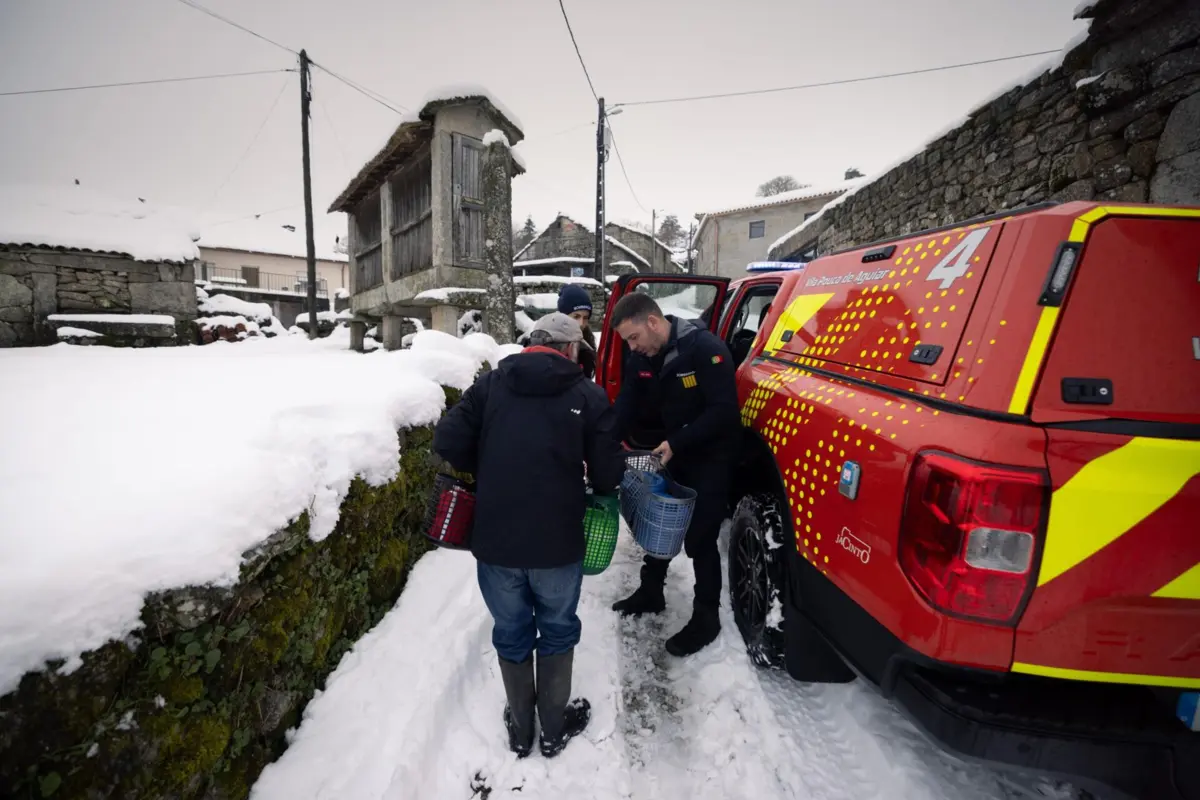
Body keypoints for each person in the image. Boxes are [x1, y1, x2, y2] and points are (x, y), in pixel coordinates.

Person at [433, 312, 624, 759]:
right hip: (558, 543)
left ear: (531, 343)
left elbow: (447, 439)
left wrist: (488, 462)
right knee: (557, 628)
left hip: (496, 541)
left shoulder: (491, 385)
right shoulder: (587, 394)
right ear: (571, 349)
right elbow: (608, 472)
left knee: (511, 626)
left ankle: (522, 729)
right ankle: (553, 727)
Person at [608, 292, 740, 657]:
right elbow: (628, 403)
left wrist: (678, 442)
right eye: (627, 342)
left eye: (634, 337)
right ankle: (651, 591)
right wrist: (604, 443)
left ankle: (706, 616)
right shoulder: (641, 357)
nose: (632, 347)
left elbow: (725, 412)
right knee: (658, 521)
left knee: (700, 537)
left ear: (653, 322)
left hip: (711, 456)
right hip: (675, 451)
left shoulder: (704, 349)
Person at [557, 284, 598, 379]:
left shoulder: (587, 342)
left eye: (586, 318)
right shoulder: (549, 341)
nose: (581, 323)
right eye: (576, 316)